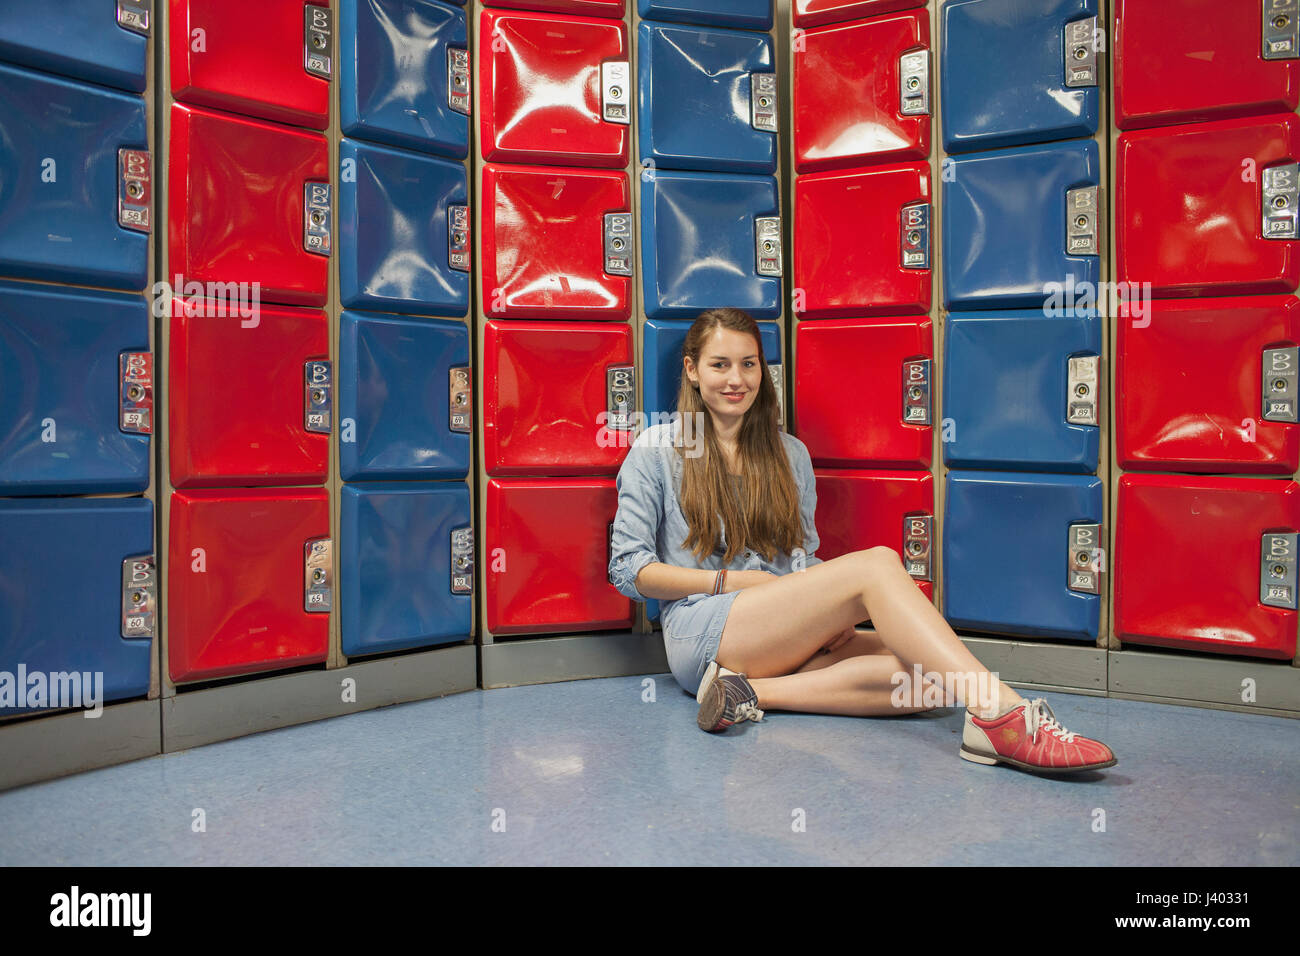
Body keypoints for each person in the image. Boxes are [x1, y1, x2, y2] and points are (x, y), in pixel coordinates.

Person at [608, 307, 1116, 774]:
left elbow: (802, 559)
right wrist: (732, 580)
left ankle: (747, 691)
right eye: (720, 365)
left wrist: (822, 614)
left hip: (778, 630)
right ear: (693, 371)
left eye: (749, 365)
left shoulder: (789, 455)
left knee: (930, 673)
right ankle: (1002, 715)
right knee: (878, 565)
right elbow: (629, 570)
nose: (737, 380)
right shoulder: (656, 448)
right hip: (701, 629)